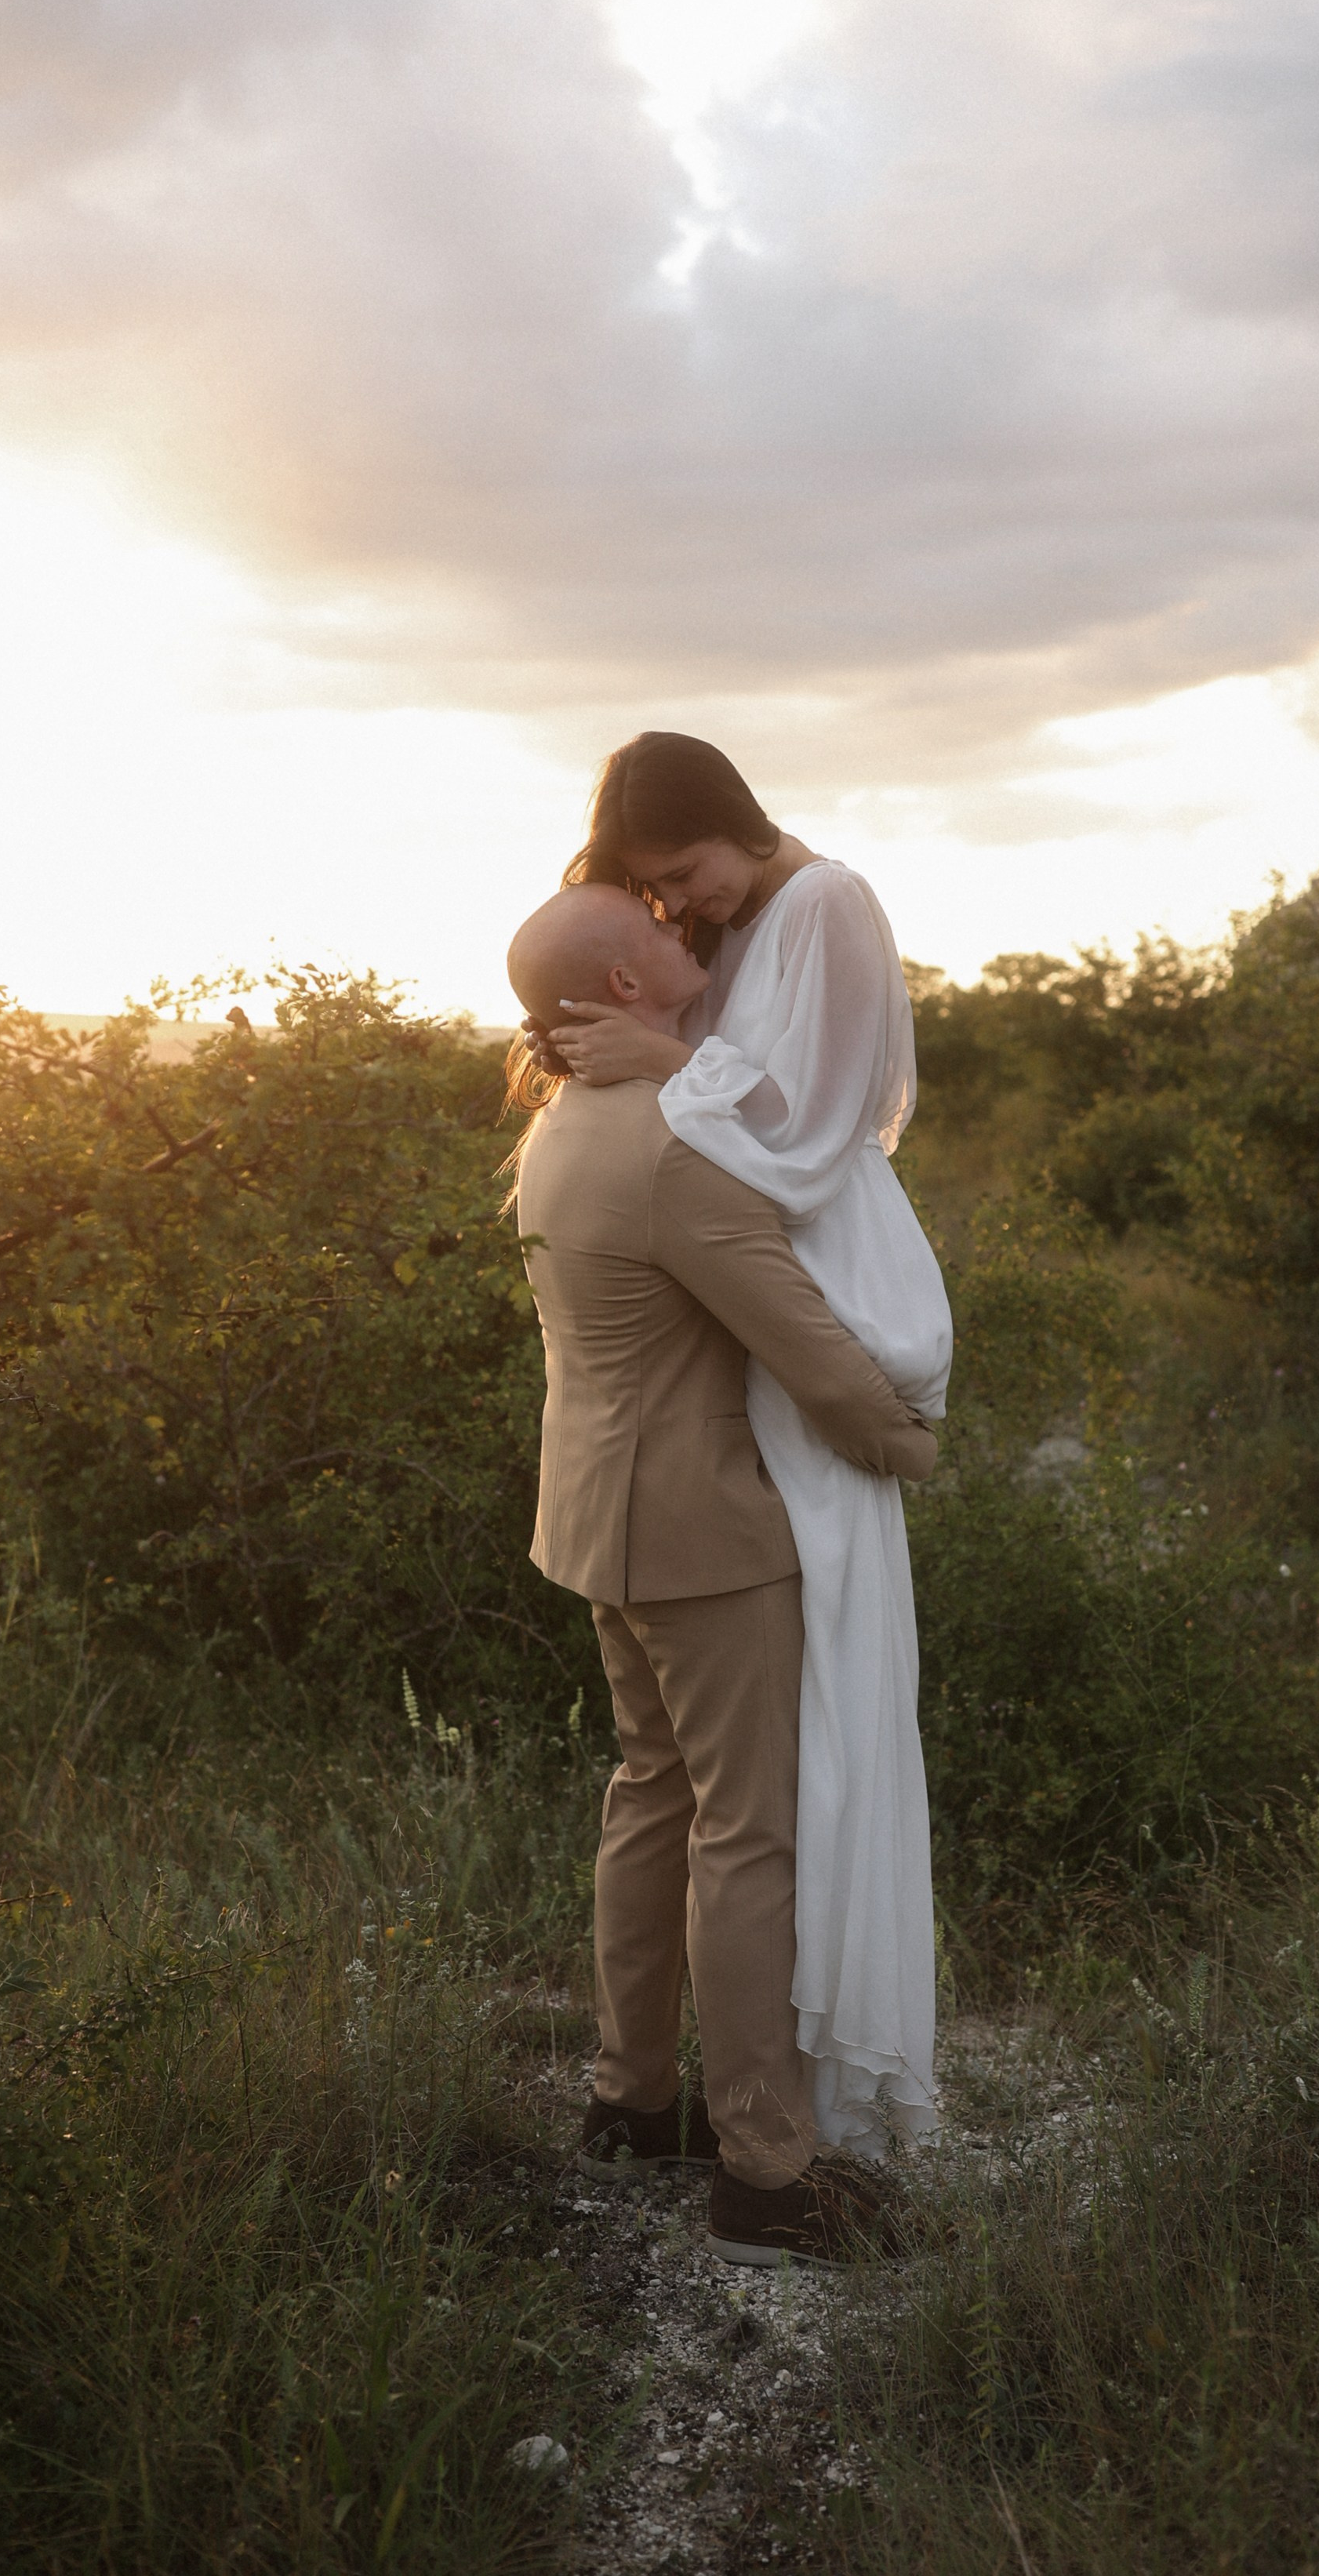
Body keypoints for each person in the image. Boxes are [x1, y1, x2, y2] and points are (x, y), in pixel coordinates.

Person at [507, 882, 939, 2265]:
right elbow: (800, 1337)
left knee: (654, 1795)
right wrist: (902, 1440)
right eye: (652, 933)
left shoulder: (559, 1130)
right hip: (701, 1532)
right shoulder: (675, 1150)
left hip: (595, 1517)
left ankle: (632, 2100)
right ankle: (763, 2174)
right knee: (751, 1834)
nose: (679, 934)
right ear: (623, 989)